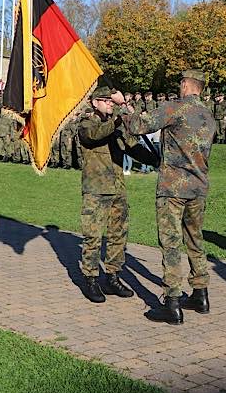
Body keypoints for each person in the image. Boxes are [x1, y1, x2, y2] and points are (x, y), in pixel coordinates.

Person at [114, 69, 215, 325]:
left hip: (173, 188)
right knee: (195, 239)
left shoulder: (175, 108)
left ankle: (172, 302)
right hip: (198, 187)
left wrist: (124, 105)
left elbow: (138, 126)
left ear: (184, 85)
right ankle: (200, 294)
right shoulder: (208, 115)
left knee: (170, 243)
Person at [78, 86, 153, 303]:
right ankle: (91, 279)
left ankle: (112, 276)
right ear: (94, 103)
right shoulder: (87, 123)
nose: (110, 103)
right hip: (96, 189)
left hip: (117, 188)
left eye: (112, 101)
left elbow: (134, 148)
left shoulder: (116, 126)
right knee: (92, 236)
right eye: (106, 100)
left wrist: (155, 159)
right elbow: (94, 136)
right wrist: (119, 116)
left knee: (118, 234)